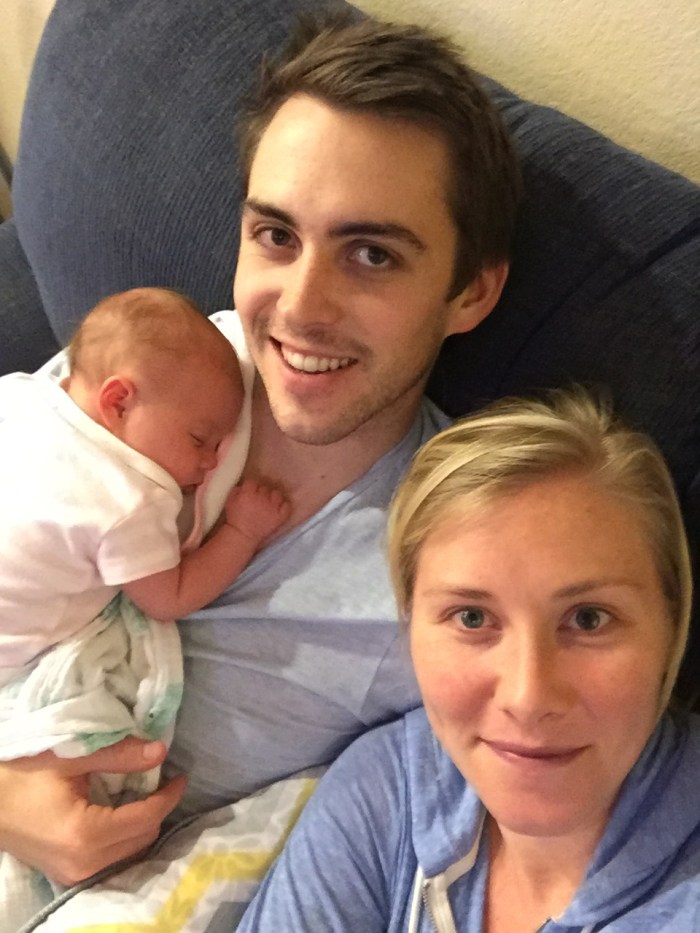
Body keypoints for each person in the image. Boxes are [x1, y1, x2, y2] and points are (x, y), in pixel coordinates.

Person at [0, 13, 521, 885]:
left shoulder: (440, 570)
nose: (300, 307)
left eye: (371, 254)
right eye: (276, 236)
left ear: (469, 291)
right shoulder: (158, 364)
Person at [238, 389, 699, 932]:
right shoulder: (388, 793)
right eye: (473, 618)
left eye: (589, 619)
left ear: (672, 626)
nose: (527, 697)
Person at [0, 286, 289, 686]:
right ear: (118, 402)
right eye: (199, 439)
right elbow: (170, 598)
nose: (211, 462)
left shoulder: (21, 393)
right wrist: (243, 531)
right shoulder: (128, 500)